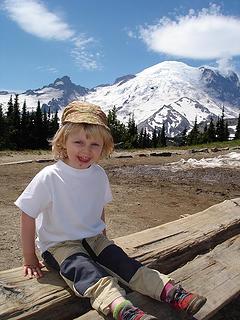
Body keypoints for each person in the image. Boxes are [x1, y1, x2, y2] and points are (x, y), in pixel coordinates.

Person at [15, 101, 207, 320]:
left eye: (94, 145)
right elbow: (27, 213)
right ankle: (120, 307)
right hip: (60, 245)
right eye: (78, 142)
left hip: (94, 239)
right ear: (62, 142)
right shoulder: (49, 176)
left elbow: (99, 207)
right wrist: (29, 257)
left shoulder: (97, 174)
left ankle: (170, 291)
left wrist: (103, 240)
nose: (86, 150)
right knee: (87, 273)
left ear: (104, 148)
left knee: (124, 264)